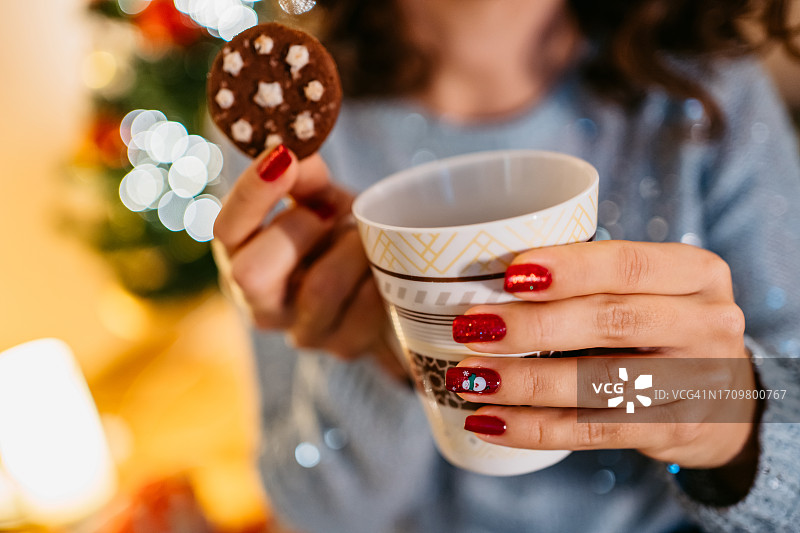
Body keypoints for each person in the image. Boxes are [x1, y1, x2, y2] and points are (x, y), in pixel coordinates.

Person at [212, 1, 800, 531]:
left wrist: (735, 424)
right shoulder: (288, 131)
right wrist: (381, 348)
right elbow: (314, 511)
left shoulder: (709, 95)